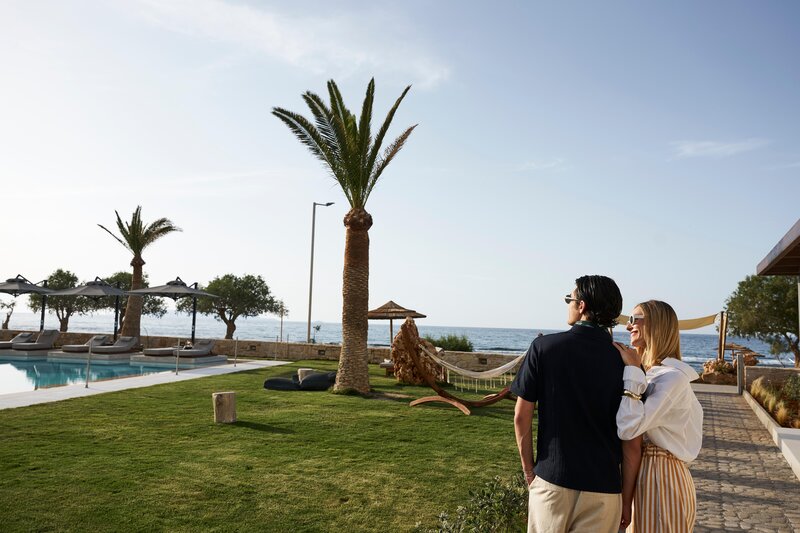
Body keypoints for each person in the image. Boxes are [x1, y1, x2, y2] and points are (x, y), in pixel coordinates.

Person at [512, 275, 640, 533]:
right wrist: (626, 501)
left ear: (582, 306)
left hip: (552, 481)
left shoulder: (543, 348)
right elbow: (632, 441)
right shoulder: (628, 363)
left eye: (569, 299)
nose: (568, 304)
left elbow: (521, 417)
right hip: (604, 489)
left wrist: (529, 472)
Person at [614, 300, 703, 533]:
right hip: (649, 474)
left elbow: (629, 428)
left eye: (634, 319)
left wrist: (633, 372)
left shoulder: (672, 378)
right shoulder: (655, 375)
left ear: (656, 324)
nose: (628, 326)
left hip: (661, 476)